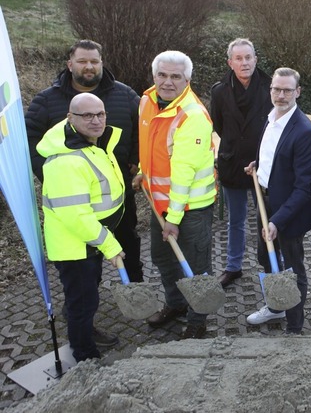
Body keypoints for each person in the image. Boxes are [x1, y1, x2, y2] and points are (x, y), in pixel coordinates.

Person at [25, 39, 143, 283]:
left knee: (128, 241)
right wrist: (48, 174)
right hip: (74, 196)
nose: (88, 67)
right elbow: (30, 139)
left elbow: (144, 128)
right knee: (84, 256)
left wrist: (135, 159)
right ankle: (83, 299)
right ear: (70, 64)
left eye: (94, 61)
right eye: (82, 61)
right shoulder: (48, 101)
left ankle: (135, 287)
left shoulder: (125, 94)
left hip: (117, 191)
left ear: (101, 63)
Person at [133, 51, 216, 340]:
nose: (167, 82)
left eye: (175, 76)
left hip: (190, 208)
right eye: (162, 75)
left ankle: (197, 320)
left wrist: (174, 218)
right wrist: (143, 171)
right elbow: (150, 145)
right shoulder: (147, 102)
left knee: (195, 267)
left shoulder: (192, 116)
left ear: (187, 80)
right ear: (154, 76)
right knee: (163, 259)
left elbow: (184, 173)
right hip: (161, 205)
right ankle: (176, 304)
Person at [37, 93, 125, 361]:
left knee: (84, 300)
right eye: (87, 115)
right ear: (70, 118)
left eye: (100, 114)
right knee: (83, 304)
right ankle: (85, 356)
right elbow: (76, 215)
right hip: (76, 247)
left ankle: (85, 332)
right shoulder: (66, 161)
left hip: (90, 242)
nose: (96, 120)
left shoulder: (89, 145)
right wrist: (109, 245)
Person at [244, 67, 311, 334]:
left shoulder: (305, 131)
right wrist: (259, 166)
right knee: (266, 258)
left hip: (289, 211)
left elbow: (303, 187)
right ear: (271, 90)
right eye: (277, 89)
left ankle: (295, 325)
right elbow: (273, 154)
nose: (281, 95)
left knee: (292, 268)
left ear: (297, 92)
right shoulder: (270, 117)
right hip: (264, 201)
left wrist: (277, 220)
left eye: (287, 90)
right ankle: (275, 306)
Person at [209, 38, 272, 288]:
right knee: (236, 220)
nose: (244, 62)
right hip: (232, 163)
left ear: (256, 59)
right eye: (239, 58)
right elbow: (219, 125)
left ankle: (270, 266)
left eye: (248, 57)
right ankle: (233, 267)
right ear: (230, 62)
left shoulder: (270, 87)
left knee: (266, 218)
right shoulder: (219, 90)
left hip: (263, 164)